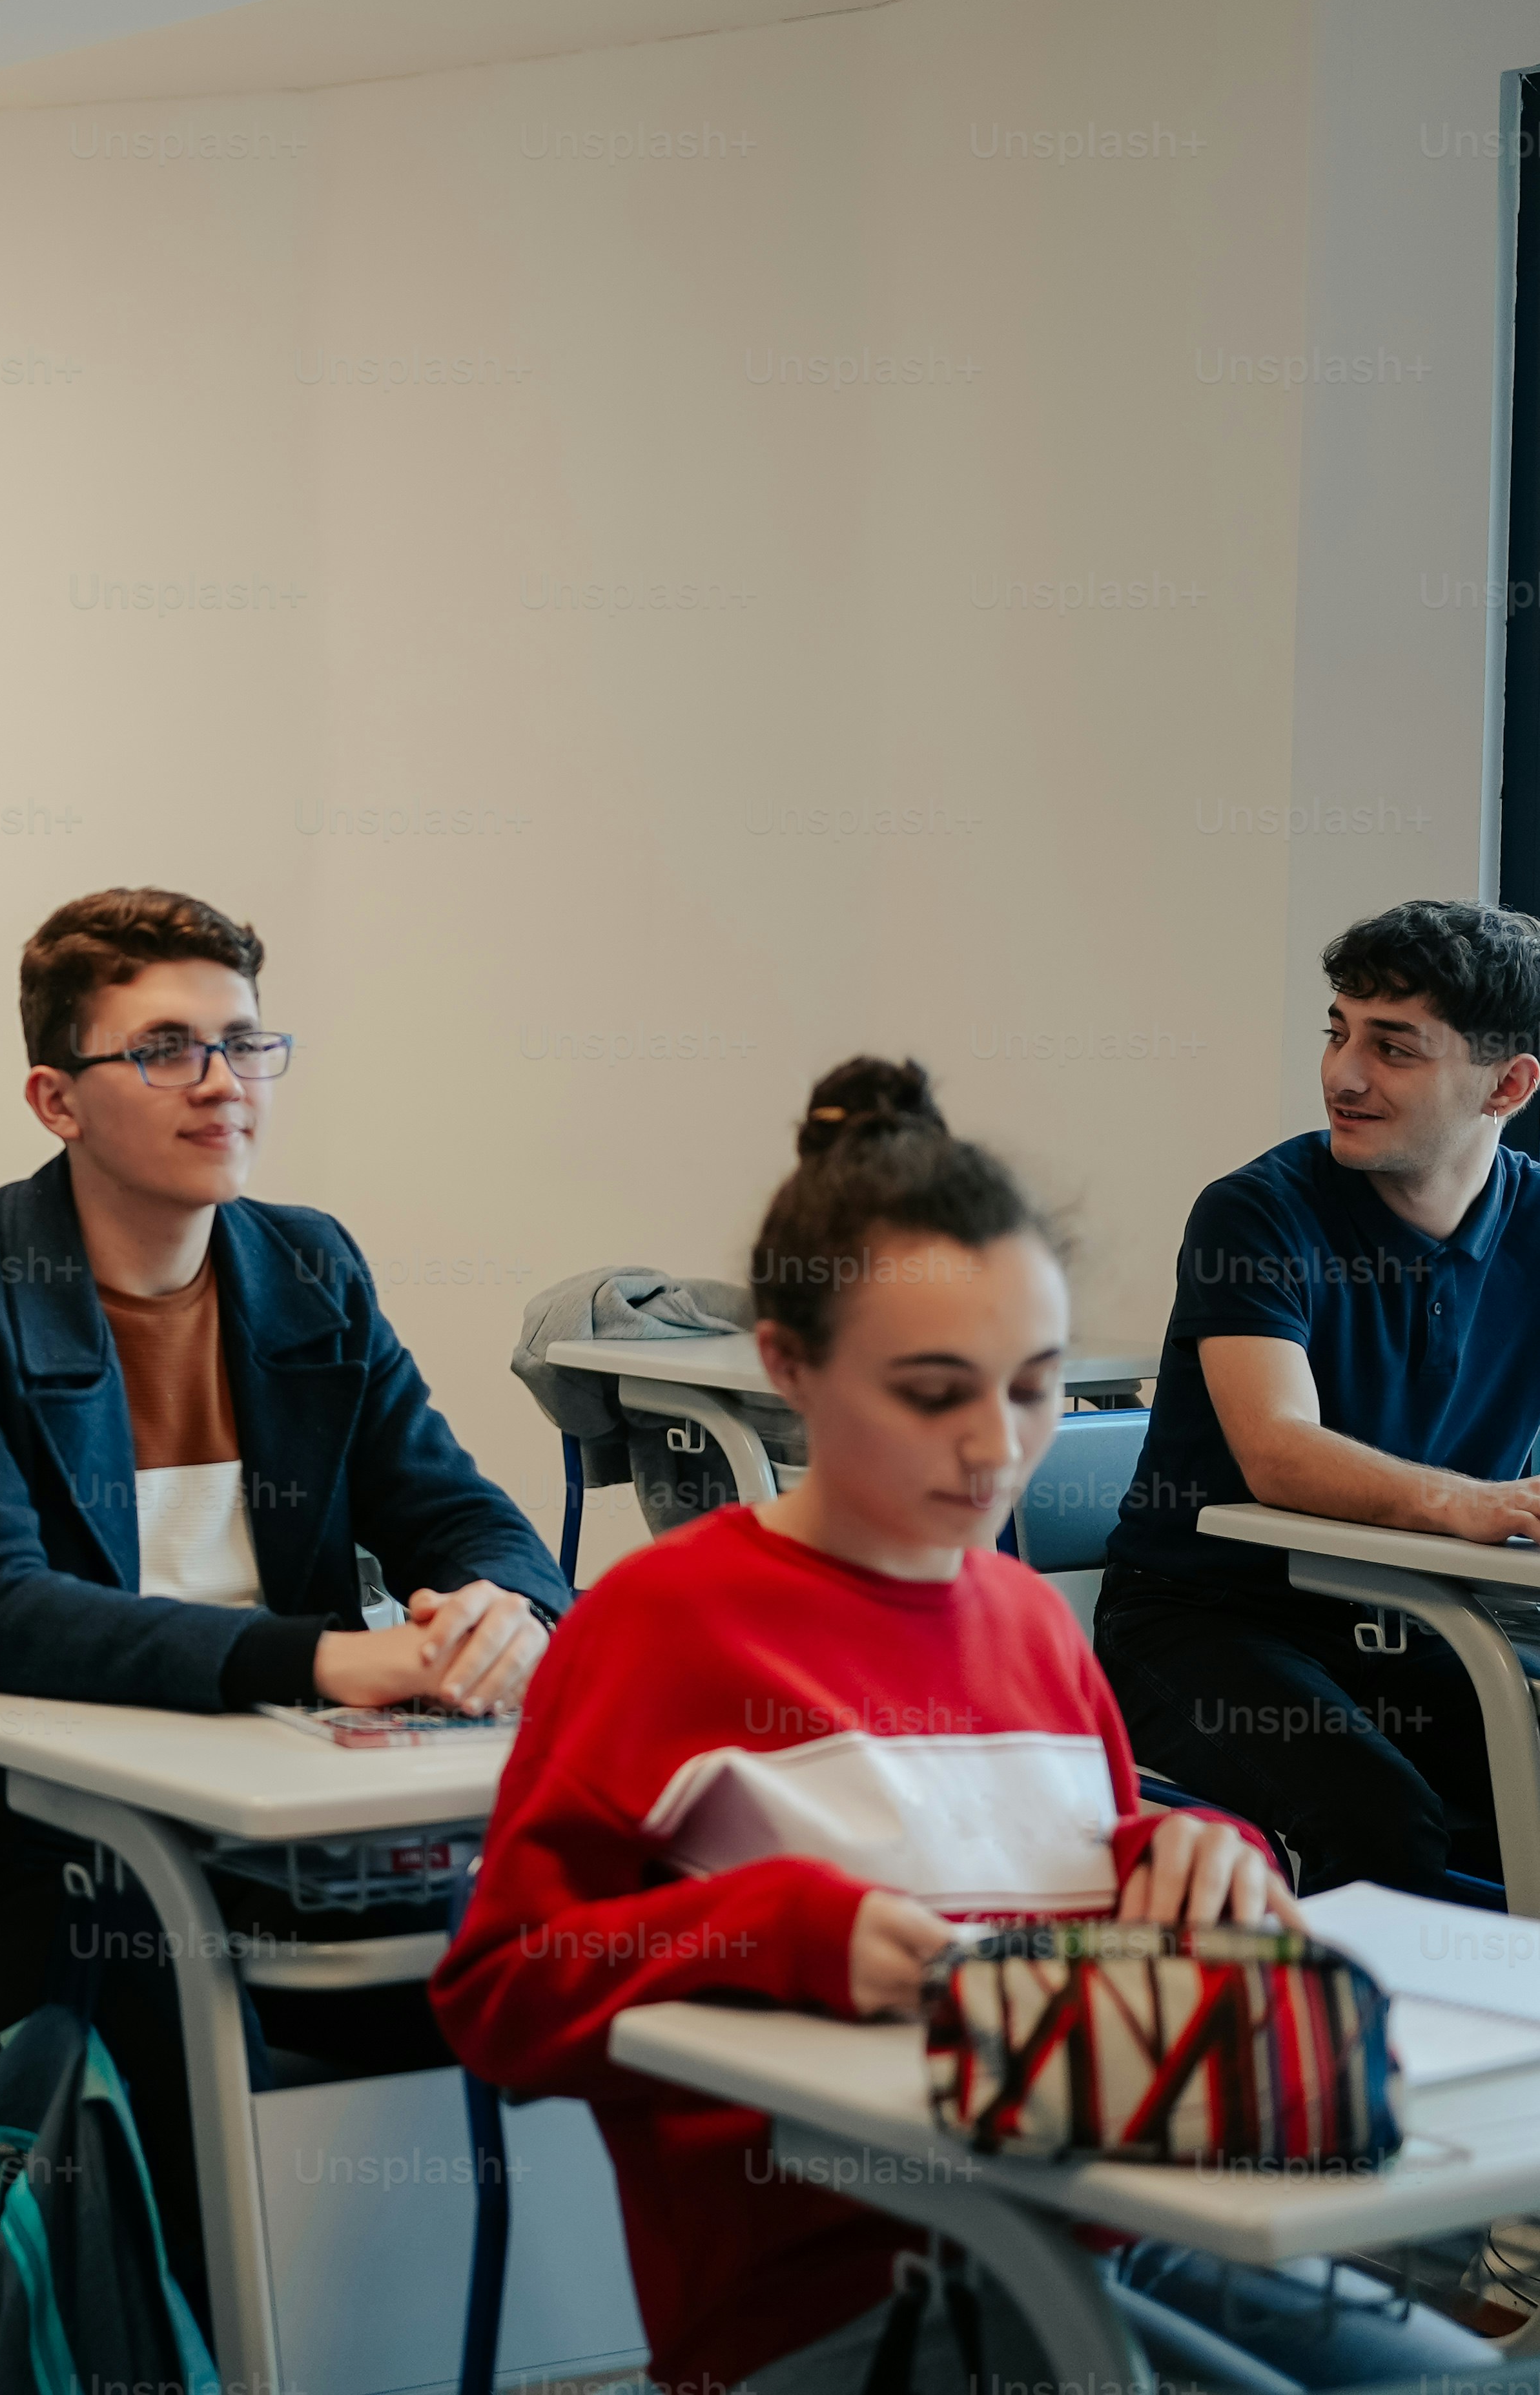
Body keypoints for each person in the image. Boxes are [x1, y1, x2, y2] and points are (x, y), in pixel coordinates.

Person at [435, 1060, 1494, 2394]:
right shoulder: (663, 1624)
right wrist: (790, 1933)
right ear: (788, 1368)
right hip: (838, 2292)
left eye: (1036, 1383)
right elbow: (501, 1998)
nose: (998, 1445)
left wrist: (1204, 1848)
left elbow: (1088, 1851)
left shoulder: (1027, 1617)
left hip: (1113, 2212)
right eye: (934, 1390)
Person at [0, 886, 567, 2296]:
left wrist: (509, 1601)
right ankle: (179, 2335)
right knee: (162, 2003)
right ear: (56, 1098)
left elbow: (456, 1504)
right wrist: (326, 1660)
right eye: (168, 1047)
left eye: (246, 1044)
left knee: (522, 1952)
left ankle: (411, 2325)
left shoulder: (308, 1262)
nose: (222, 1083)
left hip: (271, 1805)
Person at [1098, 899, 1540, 1896]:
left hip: (1415, 1618)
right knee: (1382, 1821)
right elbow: (1278, 1450)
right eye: (1339, 1032)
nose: (1344, 1074)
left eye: (1394, 1048)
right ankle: (1354, 2050)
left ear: (1505, 1086)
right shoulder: (1257, 1211)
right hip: (1203, 1625)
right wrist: (1465, 1501)